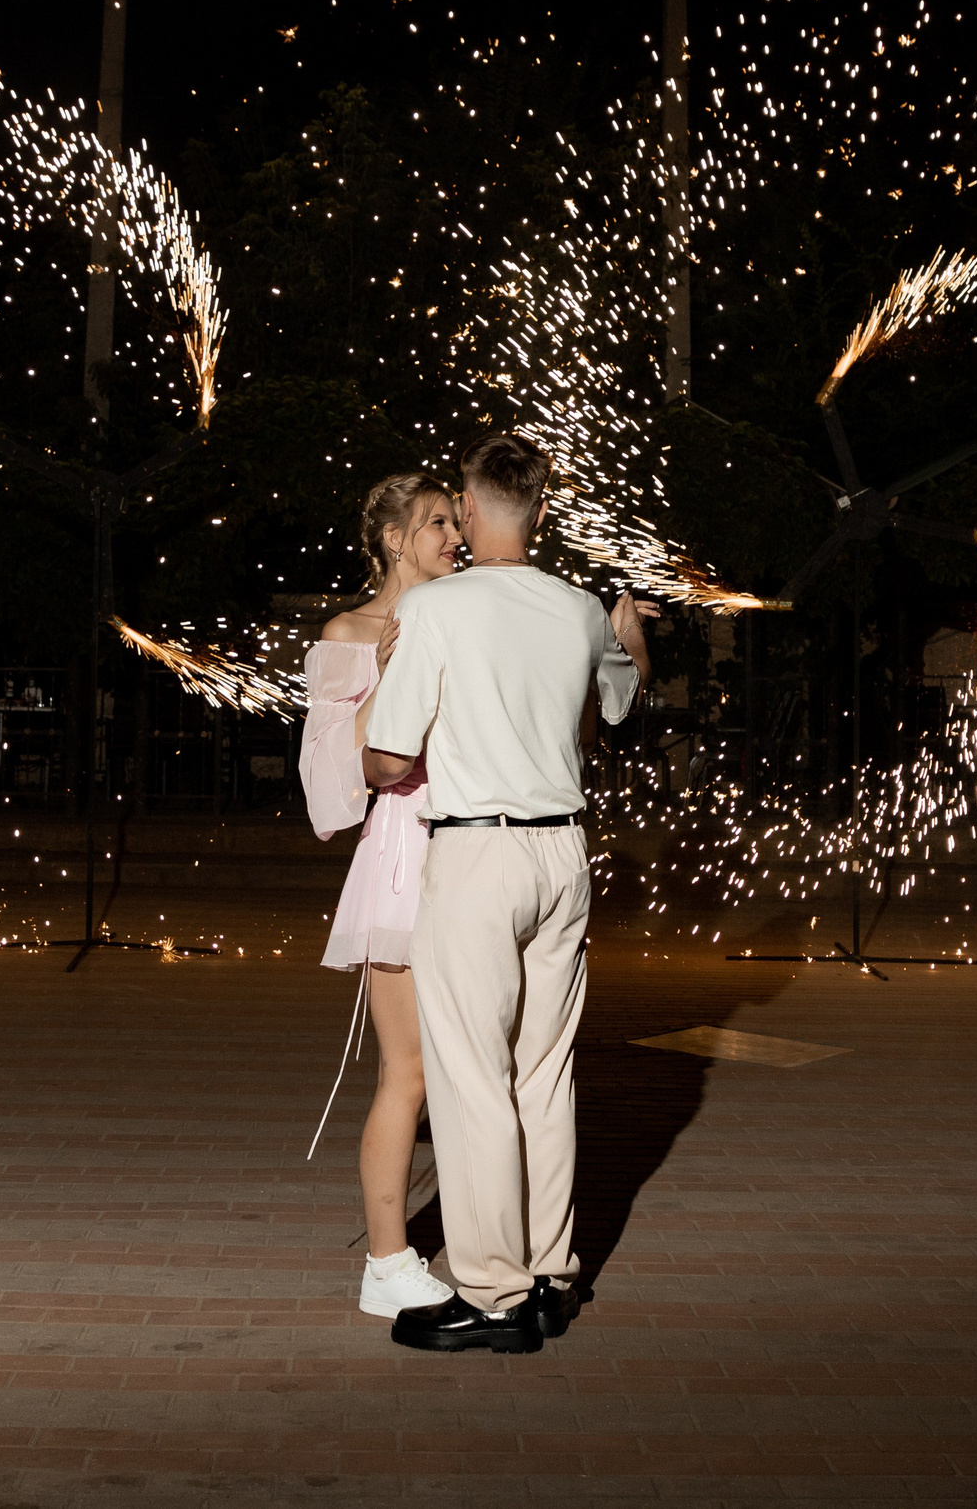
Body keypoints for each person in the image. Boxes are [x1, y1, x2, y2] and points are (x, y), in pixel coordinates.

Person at [361, 431, 655, 1353]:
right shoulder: (577, 608)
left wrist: (388, 687)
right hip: (563, 852)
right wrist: (630, 635)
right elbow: (621, 702)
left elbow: (386, 759)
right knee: (544, 1072)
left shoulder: (437, 608)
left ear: (471, 506)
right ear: (541, 508)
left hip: (478, 853)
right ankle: (551, 1275)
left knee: (471, 1076)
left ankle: (493, 1293)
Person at [298, 472, 464, 1319]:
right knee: (411, 1070)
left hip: (470, 850)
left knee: (468, 1068)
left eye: (456, 522)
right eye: (437, 523)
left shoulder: (462, 617)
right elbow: (330, 786)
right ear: (395, 539)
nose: (454, 536)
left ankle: (476, 1240)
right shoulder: (348, 633)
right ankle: (389, 1261)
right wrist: (385, 679)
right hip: (402, 852)